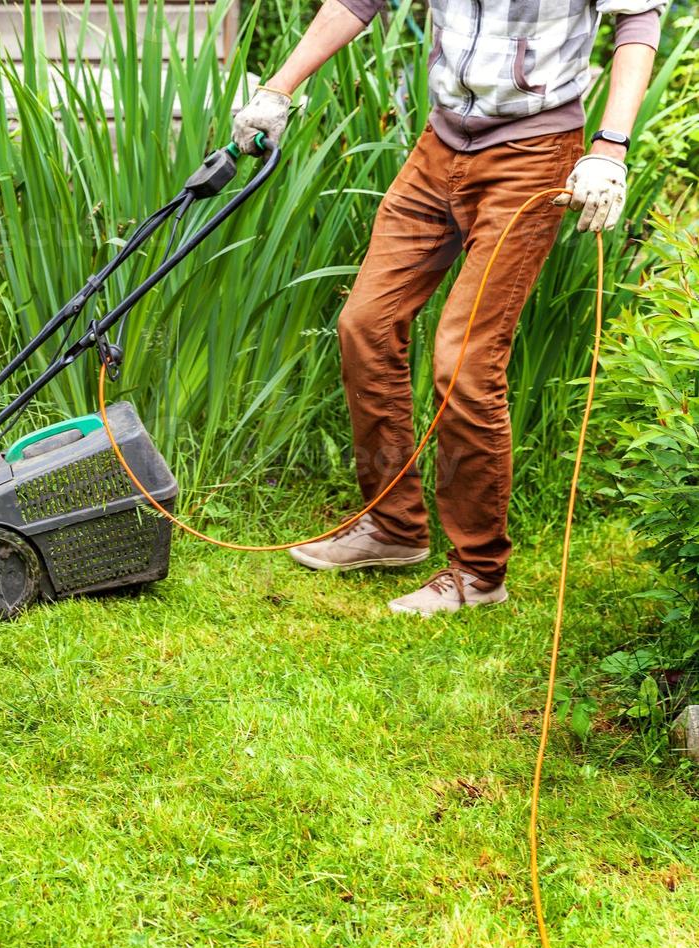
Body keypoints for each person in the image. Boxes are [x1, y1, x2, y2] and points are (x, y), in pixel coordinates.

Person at [232, 0, 663, 615]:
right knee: (365, 325)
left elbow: (638, 22)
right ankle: (393, 527)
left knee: (464, 357)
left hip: (534, 152)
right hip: (440, 147)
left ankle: (479, 572)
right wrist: (277, 89)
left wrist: (610, 148)